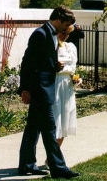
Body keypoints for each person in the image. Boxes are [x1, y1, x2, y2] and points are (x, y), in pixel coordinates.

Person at [17, 6, 80, 179]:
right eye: (65, 24)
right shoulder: (41, 34)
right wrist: (26, 89)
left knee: (33, 129)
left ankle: (26, 165)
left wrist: (54, 66)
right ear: (58, 19)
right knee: (50, 130)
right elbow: (28, 63)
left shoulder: (49, 34)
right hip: (40, 90)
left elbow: (43, 62)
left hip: (44, 89)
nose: (65, 29)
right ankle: (58, 168)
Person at [45, 25, 78, 168]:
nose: (65, 35)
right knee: (55, 120)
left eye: (68, 33)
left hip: (67, 87)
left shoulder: (71, 47)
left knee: (65, 120)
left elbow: (73, 68)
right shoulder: (50, 46)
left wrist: (76, 78)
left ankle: (53, 157)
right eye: (62, 32)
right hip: (54, 84)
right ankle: (52, 156)